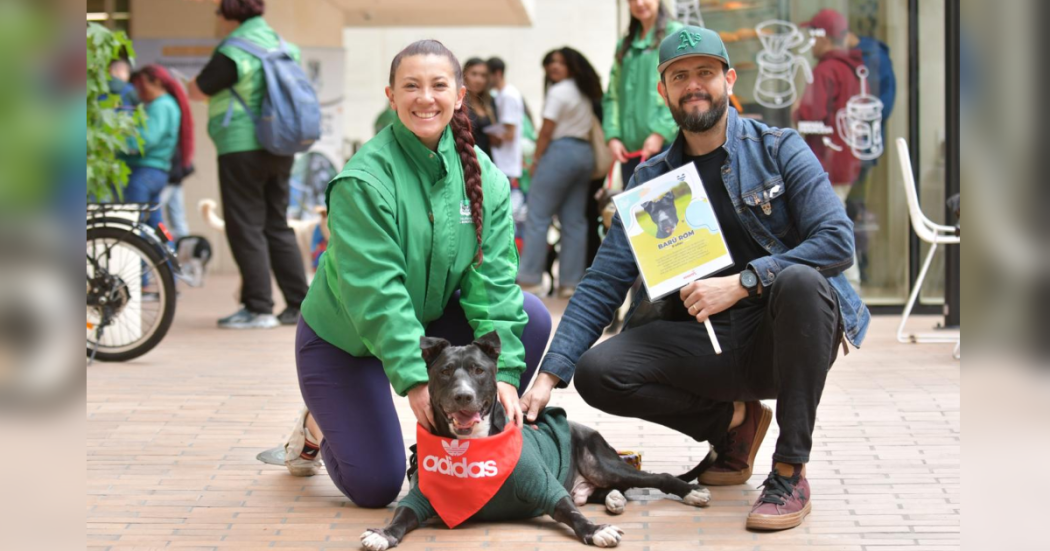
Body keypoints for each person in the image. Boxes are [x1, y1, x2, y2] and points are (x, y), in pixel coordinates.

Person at [518, 27, 871, 532]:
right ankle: (735, 425)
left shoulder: (779, 148)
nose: (693, 85)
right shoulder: (649, 182)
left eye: (705, 73)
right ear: (663, 92)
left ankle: (790, 471)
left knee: (800, 283)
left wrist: (747, 280)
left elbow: (837, 240)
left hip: (784, 335)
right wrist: (550, 375)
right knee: (598, 371)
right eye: (679, 76)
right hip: (705, 339)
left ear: (728, 80)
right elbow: (602, 282)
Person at [281, 39, 553, 509]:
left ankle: (438, 453)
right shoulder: (364, 181)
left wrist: (505, 375)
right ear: (391, 96)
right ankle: (317, 424)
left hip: (425, 323)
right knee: (375, 487)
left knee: (531, 317)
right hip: (345, 339)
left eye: (438, 85)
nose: (425, 97)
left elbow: (494, 283)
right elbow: (378, 296)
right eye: (411, 86)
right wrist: (416, 381)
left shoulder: (483, 177)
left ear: (459, 95)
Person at [187, 0, 309, 329]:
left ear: (229, 14)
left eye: (218, 11)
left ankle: (258, 308)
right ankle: (298, 305)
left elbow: (198, 90)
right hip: (281, 143)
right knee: (276, 223)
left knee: (244, 224)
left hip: (242, 144)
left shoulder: (235, 50)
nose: (216, 18)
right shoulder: (284, 46)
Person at [516, 47, 603, 298]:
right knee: (574, 222)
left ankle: (530, 280)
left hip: (559, 153)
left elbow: (546, 130)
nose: (553, 67)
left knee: (537, 216)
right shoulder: (584, 91)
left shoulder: (558, 91)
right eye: (549, 63)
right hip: (583, 154)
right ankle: (570, 283)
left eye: (559, 63)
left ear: (570, 66)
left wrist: (536, 160)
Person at [795, 8, 864, 289]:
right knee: (839, 218)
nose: (811, 41)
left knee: (832, 226)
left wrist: (797, 110)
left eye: (814, 34)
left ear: (824, 38)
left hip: (827, 160)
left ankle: (851, 287)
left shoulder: (825, 69)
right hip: (848, 158)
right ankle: (850, 285)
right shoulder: (854, 68)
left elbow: (811, 113)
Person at [603, 0, 682, 186]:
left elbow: (682, 88)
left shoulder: (675, 34)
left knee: (673, 210)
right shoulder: (625, 45)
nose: (639, 3)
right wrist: (612, 136)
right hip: (628, 152)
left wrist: (660, 132)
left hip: (666, 146)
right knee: (636, 213)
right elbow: (612, 95)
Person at [120, 65, 187, 232]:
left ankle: (149, 258)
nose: (138, 92)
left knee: (136, 228)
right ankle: (167, 257)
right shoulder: (167, 104)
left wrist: (117, 143)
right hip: (155, 174)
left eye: (140, 86)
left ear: (156, 82)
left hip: (144, 173)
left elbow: (146, 139)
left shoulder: (161, 105)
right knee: (156, 228)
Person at [486, 57, 524, 184]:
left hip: (505, 164)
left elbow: (510, 134)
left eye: (487, 75)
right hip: (502, 162)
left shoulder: (508, 96)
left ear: (497, 73)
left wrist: (489, 136)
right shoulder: (501, 94)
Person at [462, 57, 497, 159]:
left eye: (483, 75)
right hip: (467, 159)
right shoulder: (459, 102)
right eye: (474, 74)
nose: (479, 80)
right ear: (464, 75)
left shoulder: (490, 101)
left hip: (488, 159)